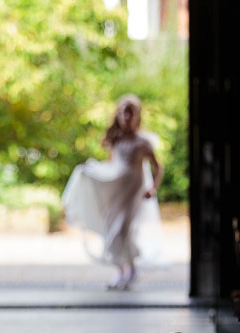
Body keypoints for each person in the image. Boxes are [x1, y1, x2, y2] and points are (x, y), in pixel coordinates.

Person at [62, 94, 165, 289]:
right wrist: (93, 173)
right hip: (116, 190)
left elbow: (157, 166)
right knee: (113, 228)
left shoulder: (143, 142)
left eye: (130, 112)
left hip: (132, 193)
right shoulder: (115, 140)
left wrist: (153, 188)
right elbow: (113, 166)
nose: (126, 117)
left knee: (122, 229)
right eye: (122, 112)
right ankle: (125, 269)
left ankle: (127, 269)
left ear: (137, 116)